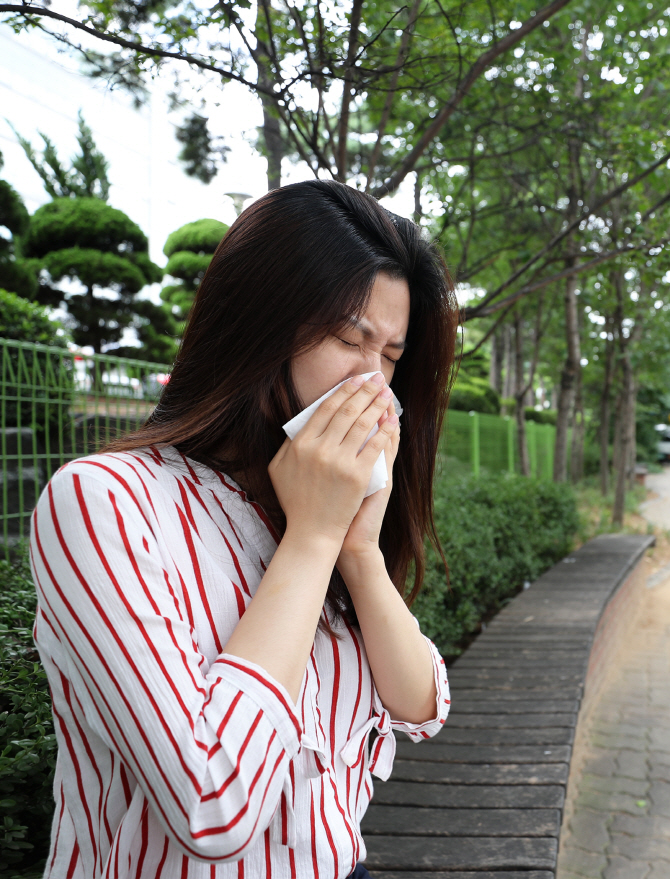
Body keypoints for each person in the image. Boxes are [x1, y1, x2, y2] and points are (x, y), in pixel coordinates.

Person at [29, 180, 459, 879]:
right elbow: (211, 805)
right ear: (259, 326)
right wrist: (313, 539)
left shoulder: (309, 509)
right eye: (352, 339)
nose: (373, 385)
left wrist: (353, 551)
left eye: (389, 355)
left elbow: (421, 703)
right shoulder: (106, 503)